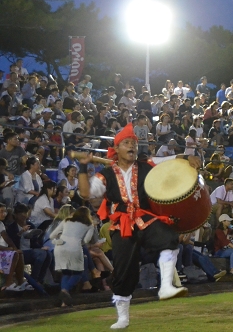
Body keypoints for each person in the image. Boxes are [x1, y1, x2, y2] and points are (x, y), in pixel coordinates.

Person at [77, 123, 189, 329]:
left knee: (169, 238)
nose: (132, 146)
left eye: (134, 143)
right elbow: (86, 194)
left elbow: (171, 162)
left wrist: (188, 160)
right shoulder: (106, 174)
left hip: (144, 218)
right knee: (123, 271)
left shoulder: (147, 166)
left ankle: (165, 286)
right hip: (122, 224)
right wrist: (83, 167)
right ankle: (123, 317)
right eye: (127, 143)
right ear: (117, 148)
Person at [49, 206, 97, 306]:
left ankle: (64, 302)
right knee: (78, 273)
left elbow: (52, 235)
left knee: (66, 273)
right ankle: (65, 291)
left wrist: (58, 240)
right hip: (75, 248)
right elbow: (86, 241)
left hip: (60, 247)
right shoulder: (89, 225)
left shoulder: (66, 220)